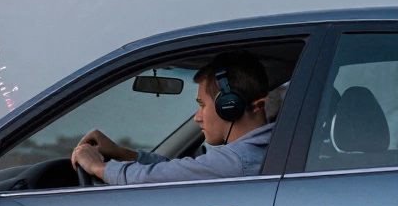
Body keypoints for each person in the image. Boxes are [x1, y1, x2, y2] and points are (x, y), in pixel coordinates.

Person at [70, 51, 273, 185]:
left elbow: (155, 178)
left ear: (231, 106)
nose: (197, 117)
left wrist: (97, 166)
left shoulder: (239, 160)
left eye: (202, 105)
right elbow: (179, 169)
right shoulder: (265, 150)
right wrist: (121, 153)